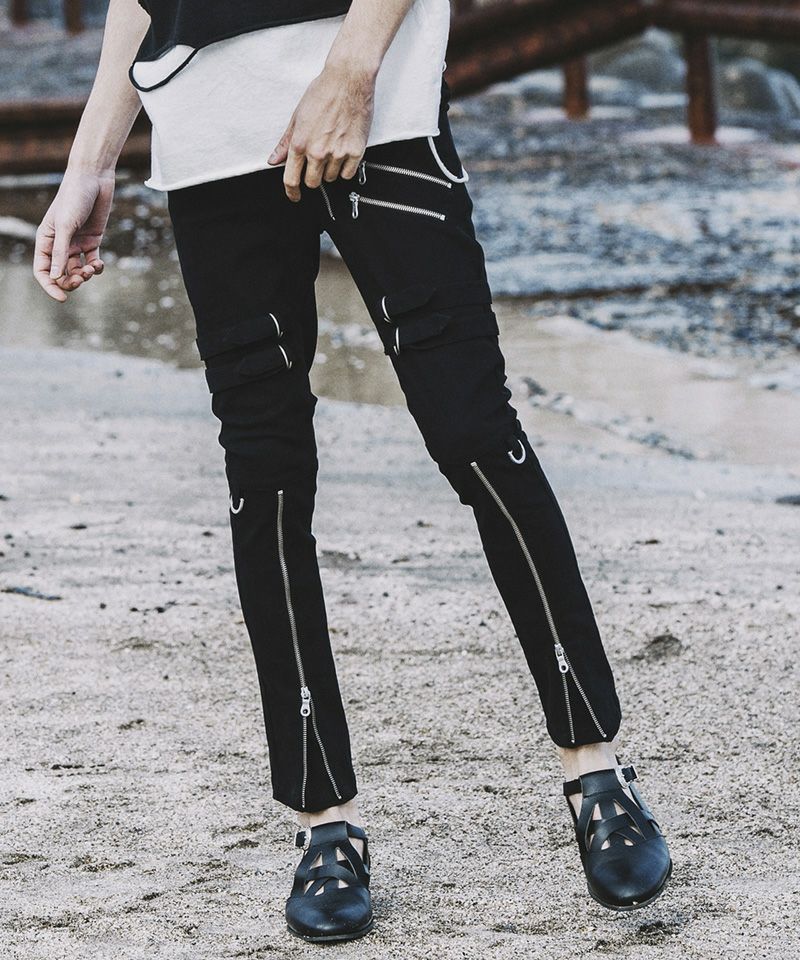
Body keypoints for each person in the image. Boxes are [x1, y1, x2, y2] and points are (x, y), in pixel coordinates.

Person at [32, 0, 672, 943]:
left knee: (475, 435)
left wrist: (351, 69)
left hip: (381, 103)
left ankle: (597, 772)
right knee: (265, 477)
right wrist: (89, 163)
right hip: (208, 129)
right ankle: (323, 823)